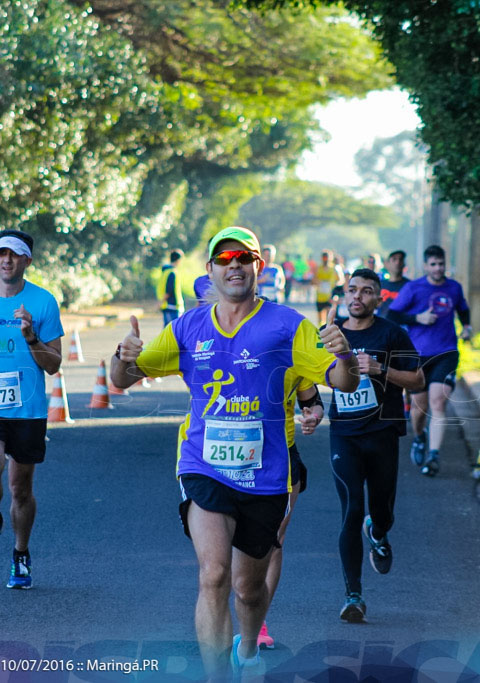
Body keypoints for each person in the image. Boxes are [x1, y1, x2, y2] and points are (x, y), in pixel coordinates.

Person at [109, 226, 357, 677]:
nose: (234, 265)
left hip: (266, 475)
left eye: (244, 257)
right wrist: (122, 356)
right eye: (224, 259)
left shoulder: (288, 326)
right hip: (203, 464)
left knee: (247, 587)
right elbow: (124, 379)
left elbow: (342, 382)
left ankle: (247, 650)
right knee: (214, 575)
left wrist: (346, 357)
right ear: (210, 271)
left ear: (259, 267)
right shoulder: (187, 326)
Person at [0, 229, 64, 590]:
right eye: (1, 253)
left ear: (27, 260)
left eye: (14, 254)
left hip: (29, 408)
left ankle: (20, 554)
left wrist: (31, 338)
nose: (6, 260)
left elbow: (53, 365)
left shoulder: (43, 302)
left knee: (20, 488)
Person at [325, 268, 423, 622]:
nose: (357, 297)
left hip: (382, 433)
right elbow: (316, 375)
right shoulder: (333, 334)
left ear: (378, 299)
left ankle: (378, 531)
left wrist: (380, 369)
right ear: (344, 294)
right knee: (351, 510)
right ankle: (353, 595)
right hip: (344, 435)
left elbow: (417, 378)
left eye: (366, 292)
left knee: (381, 512)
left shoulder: (392, 333)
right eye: (352, 290)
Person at [385, 245, 471, 477]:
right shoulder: (414, 288)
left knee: (438, 402)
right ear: (425, 266)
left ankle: (434, 455)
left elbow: (463, 309)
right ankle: (420, 437)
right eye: (433, 264)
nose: (438, 268)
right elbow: (392, 314)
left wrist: (467, 326)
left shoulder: (454, 287)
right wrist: (417, 318)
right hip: (418, 355)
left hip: (446, 352)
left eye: (441, 264)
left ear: (445, 264)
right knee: (418, 409)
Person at [259, 373, 324, 649]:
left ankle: (257, 623)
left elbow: (315, 401)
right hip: (228, 451)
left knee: (273, 541)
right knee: (228, 541)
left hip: (280, 455)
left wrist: (314, 417)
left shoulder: (292, 343)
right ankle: (224, 612)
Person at [314, 249, 344, 326]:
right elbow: (313, 280)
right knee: (320, 319)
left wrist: (334, 285)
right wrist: (318, 282)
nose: (325, 259)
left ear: (331, 258)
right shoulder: (318, 268)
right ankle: (320, 333)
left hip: (330, 296)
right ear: (321, 258)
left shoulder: (334, 268)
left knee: (329, 318)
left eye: (327, 257)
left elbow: (341, 280)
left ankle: (327, 332)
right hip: (320, 296)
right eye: (324, 257)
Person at [158, 249, 185, 326]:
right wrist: (161, 302)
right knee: (173, 331)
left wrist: (161, 302)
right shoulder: (172, 273)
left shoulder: (165, 272)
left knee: (168, 330)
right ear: (178, 260)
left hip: (166, 305)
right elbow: (169, 290)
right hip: (173, 306)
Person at [378, 250, 408, 317]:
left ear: (404, 264)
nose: (397, 262)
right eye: (394, 259)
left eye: (400, 260)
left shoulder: (410, 286)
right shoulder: (379, 284)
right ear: (387, 264)